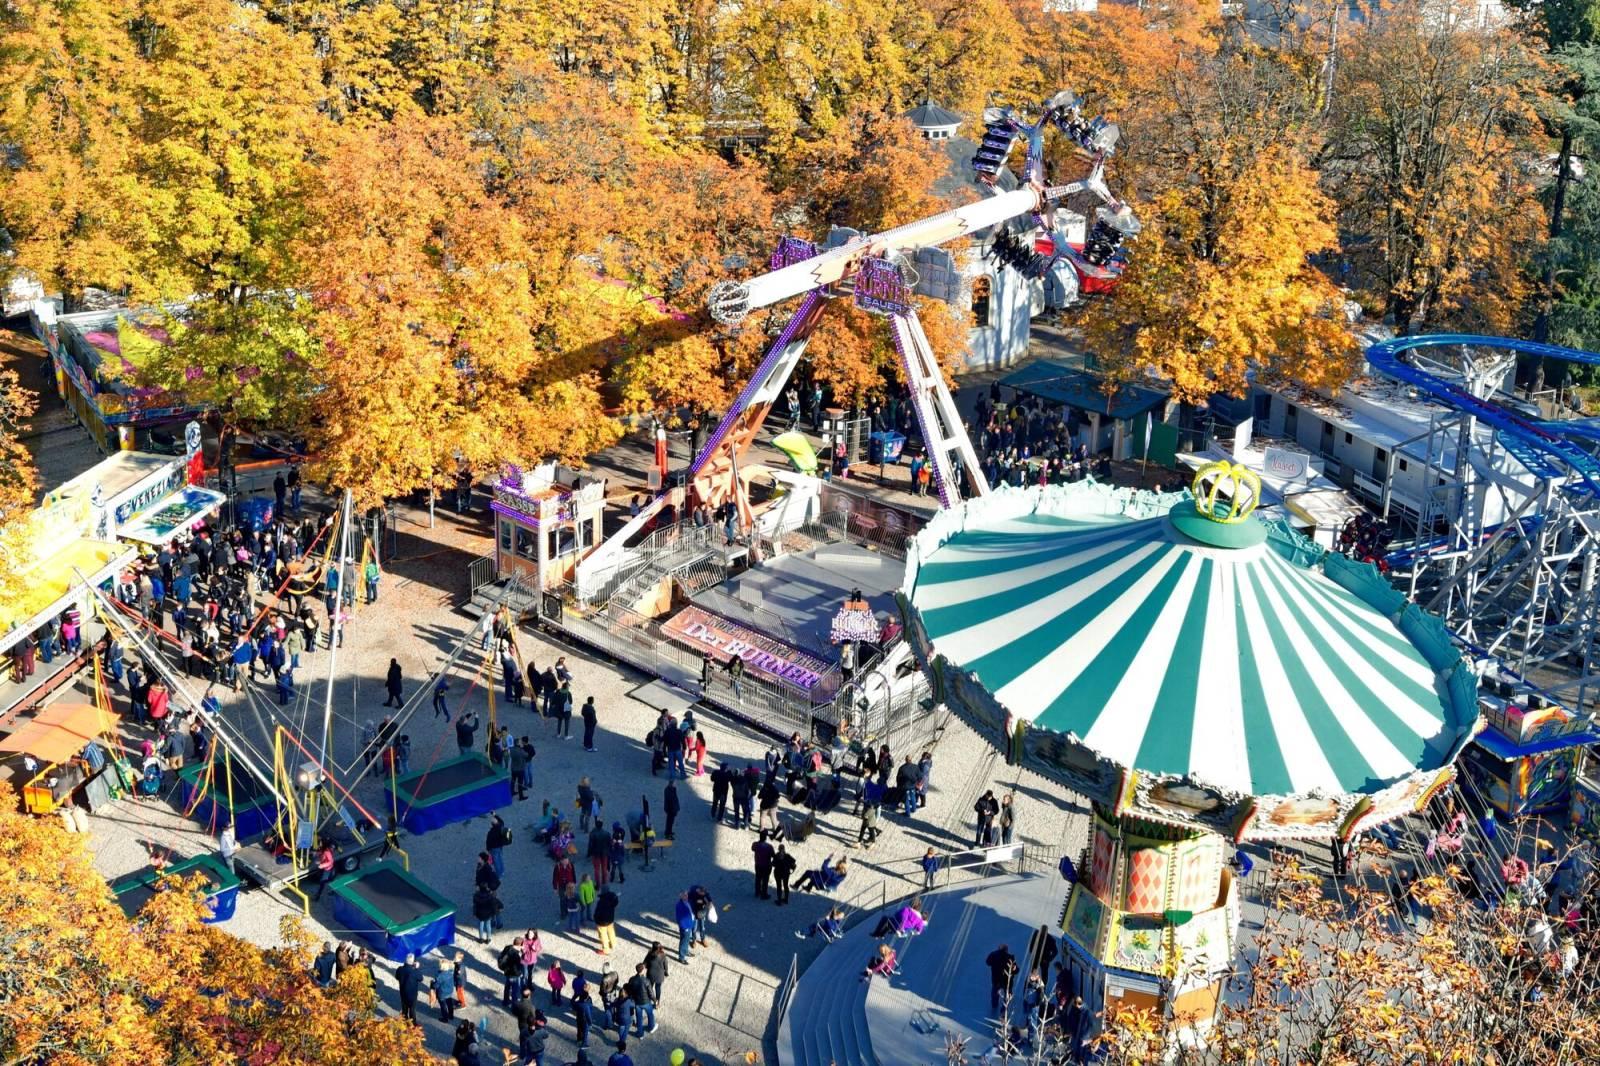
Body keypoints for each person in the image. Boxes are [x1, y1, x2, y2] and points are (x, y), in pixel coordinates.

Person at [623, 963, 656, 1035]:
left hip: (637, 1002)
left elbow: (630, 990)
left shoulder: (632, 979)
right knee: (650, 1015)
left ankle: (640, 1033)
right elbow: (651, 993)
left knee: (639, 1018)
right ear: (642, 970)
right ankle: (651, 1027)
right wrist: (655, 1000)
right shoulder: (646, 980)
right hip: (646, 1002)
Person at [986, 944, 1019, 1012]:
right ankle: (1004, 1008)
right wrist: (1014, 969)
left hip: (996, 978)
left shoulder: (993, 955)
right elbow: (1016, 970)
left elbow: (988, 962)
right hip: (1007, 980)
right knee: (1007, 993)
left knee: (995, 991)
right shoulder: (1010, 958)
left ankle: (994, 1004)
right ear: (1006, 950)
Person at [594, 882, 621, 955]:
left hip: (602, 921)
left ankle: (606, 950)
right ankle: (613, 943)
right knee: (611, 931)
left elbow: (598, 912)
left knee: (603, 934)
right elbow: (616, 903)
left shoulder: (601, 901)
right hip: (610, 918)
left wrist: (595, 918)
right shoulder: (613, 896)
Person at [396, 954, 423, 1023]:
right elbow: (421, 978)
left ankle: (404, 1021)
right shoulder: (414, 971)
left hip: (403, 992)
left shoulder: (400, 969)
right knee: (412, 1009)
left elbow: (397, 977)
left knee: (404, 1008)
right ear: (413, 962)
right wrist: (416, 968)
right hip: (412, 994)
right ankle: (412, 1023)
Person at [752, 831, 775, 900]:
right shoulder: (769, 847)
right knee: (765, 880)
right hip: (766, 866)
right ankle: (764, 894)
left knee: (758, 879)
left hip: (758, 865)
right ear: (766, 838)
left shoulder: (755, 844)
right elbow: (773, 855)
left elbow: (752, 849)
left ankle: (757, 892)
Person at [674, 892, 696, 963]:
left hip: (689, 924)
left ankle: (686, 951)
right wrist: (684, 927)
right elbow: (679, 918)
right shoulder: (679, 905)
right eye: (685, 895)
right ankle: (681, 957)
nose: (687, 896)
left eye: (687, 895)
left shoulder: (687, 902)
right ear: (681, 897)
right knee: (683, 941)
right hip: (685, 927)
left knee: (686, 940)